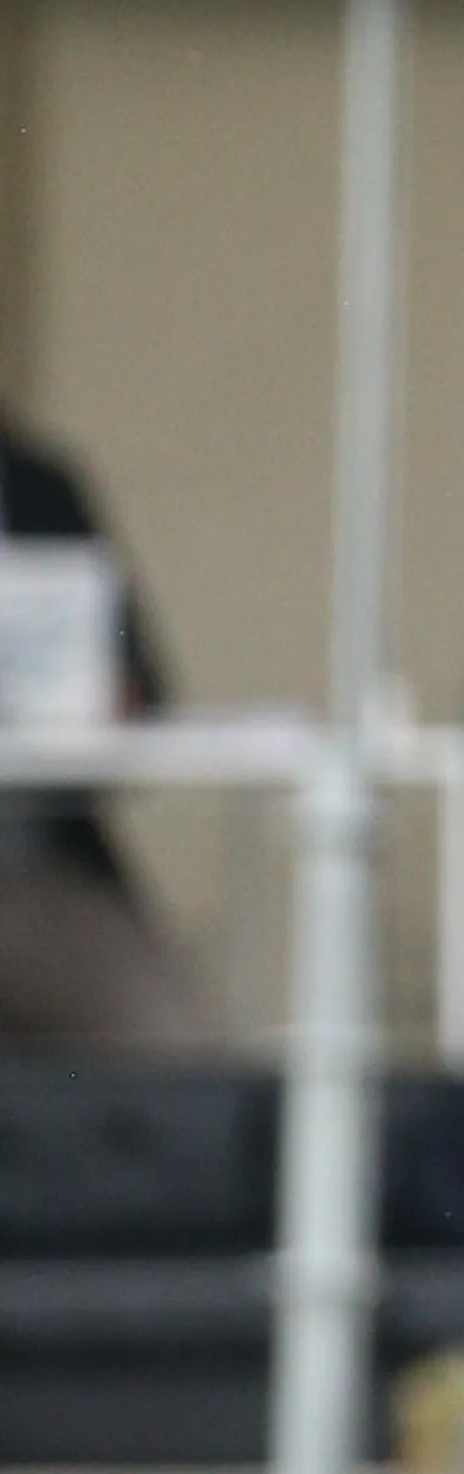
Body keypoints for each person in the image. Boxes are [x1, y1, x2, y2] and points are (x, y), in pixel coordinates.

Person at [0, 407, 206, 1053]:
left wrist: (103, 695)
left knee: (174, 1051)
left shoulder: (34, 483)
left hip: (33, 875)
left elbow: (140, 679)